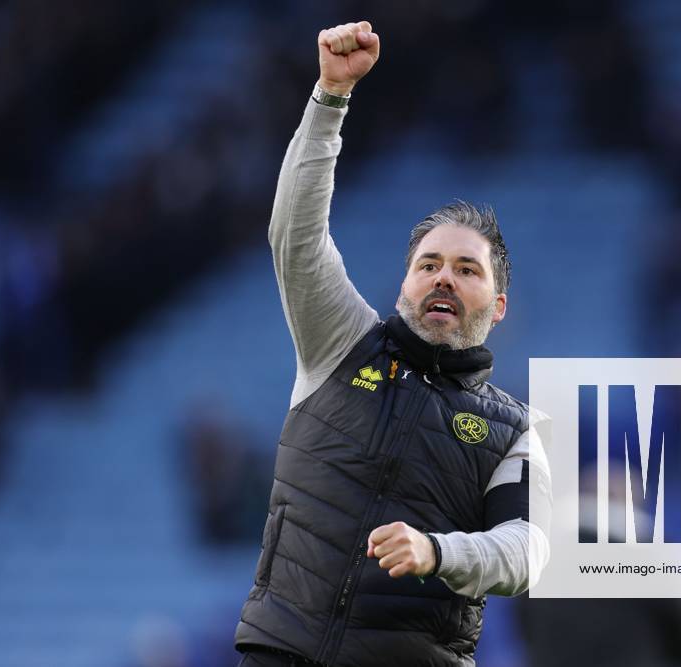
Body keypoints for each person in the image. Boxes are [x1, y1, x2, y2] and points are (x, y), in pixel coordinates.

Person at [233, 21, 551, 667]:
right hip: (281, 653)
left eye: (467, 269)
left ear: (498, 306)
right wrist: (329, 98)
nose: (444, 275)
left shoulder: (519, 429)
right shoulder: (340, 345)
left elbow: (528, 551)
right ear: (405, 283)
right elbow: (295, 236)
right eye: (429, 263)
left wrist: (439, 551)